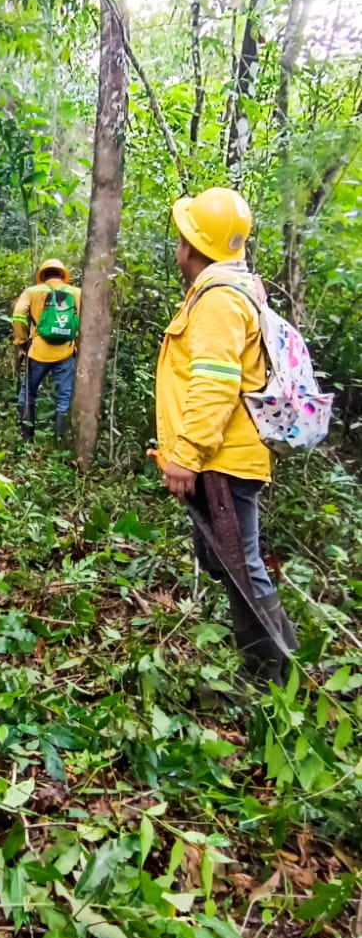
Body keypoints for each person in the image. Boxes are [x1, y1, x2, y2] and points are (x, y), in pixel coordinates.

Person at [154, 186, 296, 686]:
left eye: (180, 239)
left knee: (239, 567)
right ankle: (287, 658)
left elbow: (214, 384)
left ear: (191, 247)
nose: (177, 248)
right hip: (223, 459)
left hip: (222, 460)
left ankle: (268, 680)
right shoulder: (229, 291)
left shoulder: (217, 302)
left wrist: (187, 455)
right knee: (224, 560)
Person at [12, 259, 81, 440]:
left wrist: (21, 341)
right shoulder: (76, 293)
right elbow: (85, 322)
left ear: (42, 276)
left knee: (28, 392)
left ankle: (26, 437)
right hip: (65, 352)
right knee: (64, 396)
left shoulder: (32, 292)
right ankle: (59, 440)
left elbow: (18, 315)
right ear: (62, 275)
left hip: (38, 351)